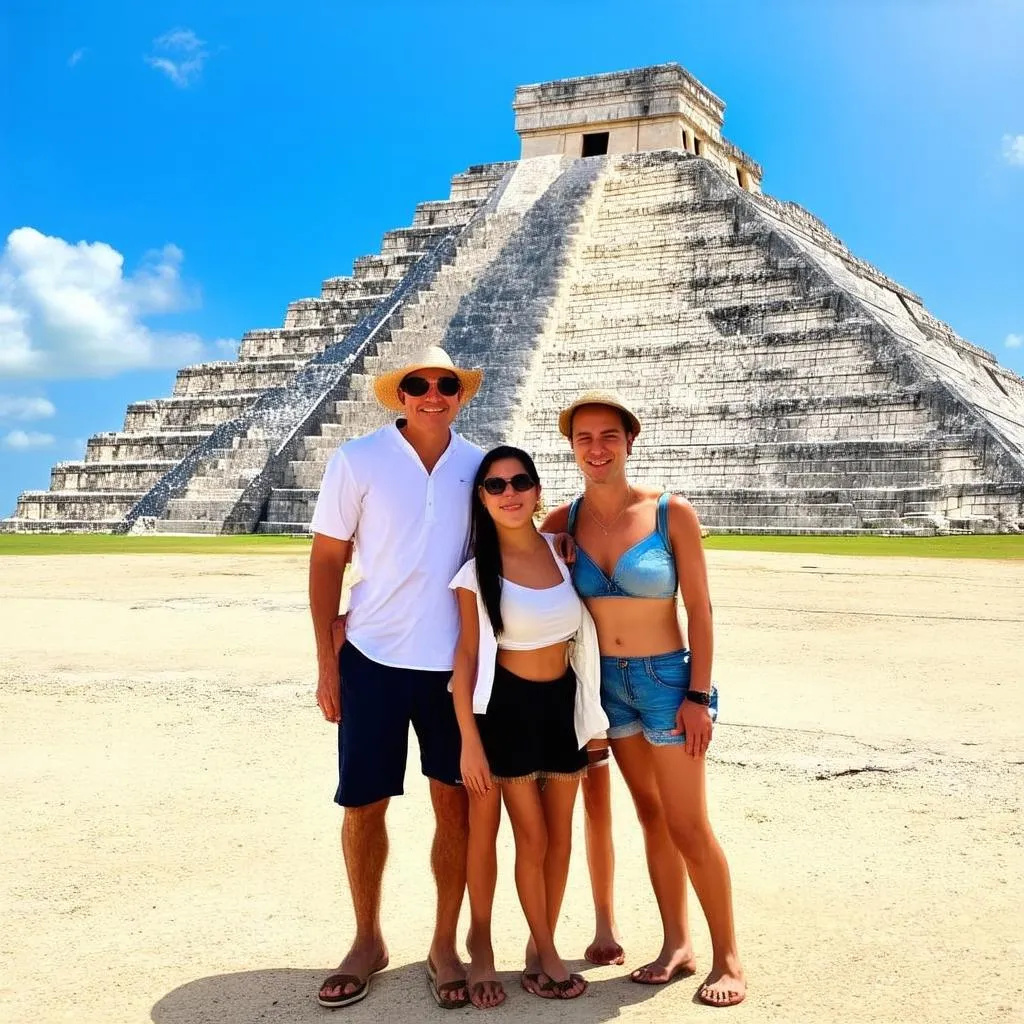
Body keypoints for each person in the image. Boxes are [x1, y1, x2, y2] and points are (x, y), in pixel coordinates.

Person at [542, 390, 747, 1008]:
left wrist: (697, 694)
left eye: (608, 436)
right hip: (606, 686)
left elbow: (701, 611)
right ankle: (676, 945)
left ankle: (728, 955)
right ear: (572, 448)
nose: (596, 449)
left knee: (689, 823)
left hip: (666, 683)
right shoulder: (561, 522)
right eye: (584, 439)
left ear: (630, 441)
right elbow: (506, 562)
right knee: (652, 817)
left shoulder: (669, 513)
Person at [309, 346, 484, 1010]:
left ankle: (444, 943)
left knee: (456, 805)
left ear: (460, 394)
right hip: (373, 659)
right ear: (400, 394)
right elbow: (327, 561)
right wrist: (327, 663)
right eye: (418, 384)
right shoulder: (358, 459)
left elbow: (520, 528)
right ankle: (367, 938)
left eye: (445, 384)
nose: (432, 394)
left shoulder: (481, 466)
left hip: (453, 667)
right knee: (362, 804)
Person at [449, 445, 608, 1007]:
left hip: (562, 705)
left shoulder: (561, 551)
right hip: (507, 714)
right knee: (531, 837)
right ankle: (537, 950)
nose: (509, 493)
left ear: (538, 491)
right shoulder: (474, 574)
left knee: (560, 838)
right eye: (495, 485)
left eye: (520, 481)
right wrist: (469, 740)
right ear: (482, 498)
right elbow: (465, 659)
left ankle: (540, 952)